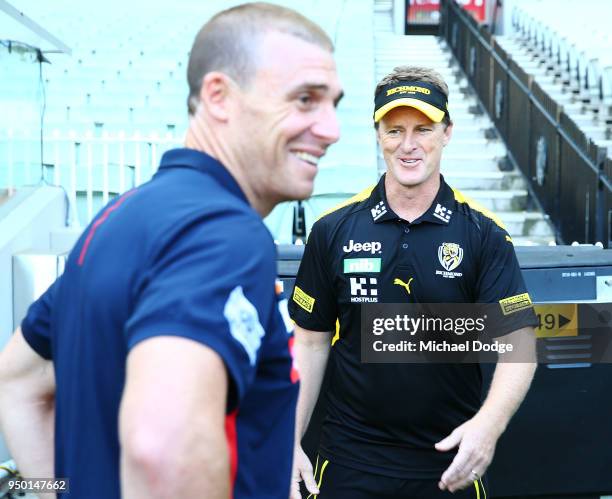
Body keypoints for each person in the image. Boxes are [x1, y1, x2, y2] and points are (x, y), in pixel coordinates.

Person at [0, 3, 342, 498]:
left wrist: (59, 489)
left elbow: (18, 382)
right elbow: (161, 449)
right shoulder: (223, 233)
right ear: (219, 96)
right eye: (305, 99)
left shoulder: (118, 219)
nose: (331, 128)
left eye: (333, 103)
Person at [288, 66, 537, 499]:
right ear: (377, 134)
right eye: (394, 130)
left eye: (423, 129)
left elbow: (519, 344)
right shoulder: (333, 231)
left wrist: (487, 427)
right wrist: (286, 440)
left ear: (447, 133)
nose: (408, 145)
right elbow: (310, 343)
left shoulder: (483, 233)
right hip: (350, 461)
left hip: (448, 463)